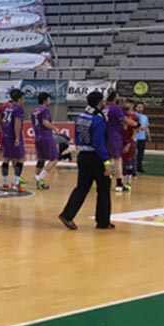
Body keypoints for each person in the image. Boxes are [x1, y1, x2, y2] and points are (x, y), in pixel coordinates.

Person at [59, 91, 113, 231]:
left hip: (83, 155)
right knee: (104, 189)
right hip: (96, 157)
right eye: (103, 101)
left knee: (81, 188)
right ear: (99, 102)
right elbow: (98, 143)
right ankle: (103, 221)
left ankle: (67, 215)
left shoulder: (81, 116)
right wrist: (106, 162)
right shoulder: (98, 120)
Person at [0, 88, 26, 192]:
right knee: (20, 159)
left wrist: (2, 130)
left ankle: (5, 183)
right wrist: (17, 137)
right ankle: (15, 183)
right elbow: (17, 123)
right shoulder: (18, 109)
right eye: (23, 99)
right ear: (19, 99)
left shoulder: (6, 108)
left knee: (6, 159)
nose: (24, 101)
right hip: (13, 136)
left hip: (5, 136)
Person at [31, 91, 59, 190]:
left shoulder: (34, 111)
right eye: (49, 99)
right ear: (45, 100)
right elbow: (45, 122)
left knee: (41, 160)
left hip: (37, 137)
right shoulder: (45, 110)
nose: (50, 101)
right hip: (46, 136)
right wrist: (54, 128)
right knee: (54, 159)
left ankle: (39, 183)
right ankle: (40, 177)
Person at [134, 102, 149, 174]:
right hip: (135, 137)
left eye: (141, 107)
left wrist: (148, 135)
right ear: (136, 107)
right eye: (138, 107)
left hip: (142, 137)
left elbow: (146, 127)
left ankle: (139, 167)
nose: (140, 108)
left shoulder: (145, 117)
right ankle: (133, 168)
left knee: (141, 154)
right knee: (133, 154)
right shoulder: (134, 115)